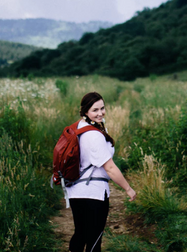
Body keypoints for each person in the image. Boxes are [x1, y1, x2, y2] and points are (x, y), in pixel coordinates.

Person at [66, 92, 136, 252]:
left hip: (76, 191)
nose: (100, 113)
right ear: (85, 112)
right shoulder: (94, 135)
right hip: (94, 194)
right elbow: (110, 168)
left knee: (80, 234)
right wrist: (128, 188)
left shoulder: (79, 127)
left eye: (102, 108)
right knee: (94, 240)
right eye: (95, 110)